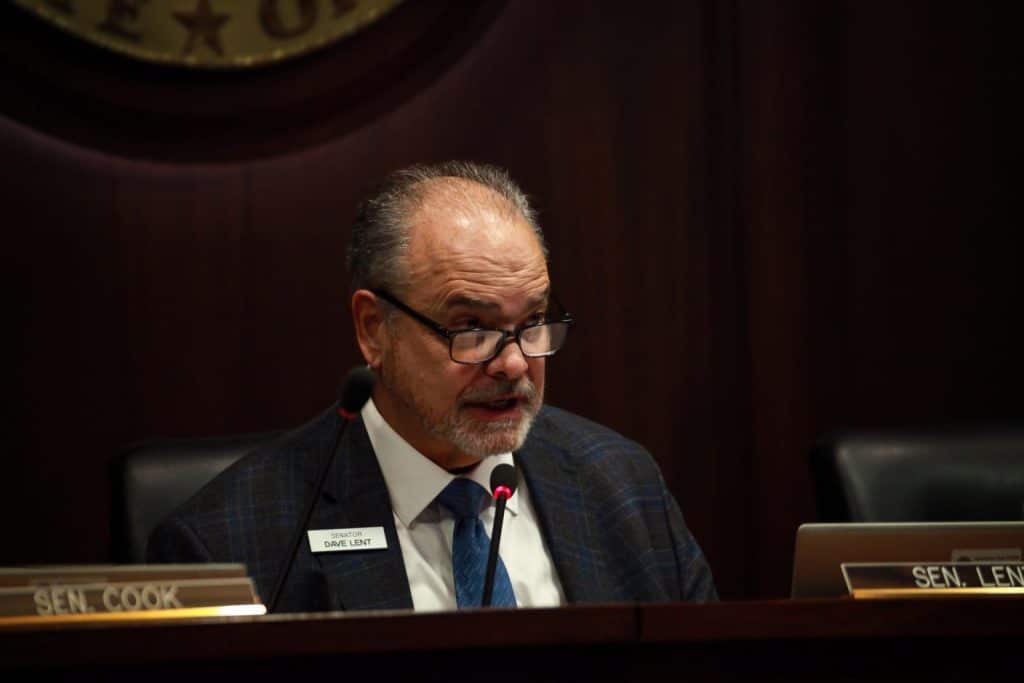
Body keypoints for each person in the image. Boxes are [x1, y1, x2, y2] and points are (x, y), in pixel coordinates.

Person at [148, 161, 717, 611]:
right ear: (374, 329)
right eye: (471, 328)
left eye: (533, 322)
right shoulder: (232, 544)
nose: (514, 364)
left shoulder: (622, 486)